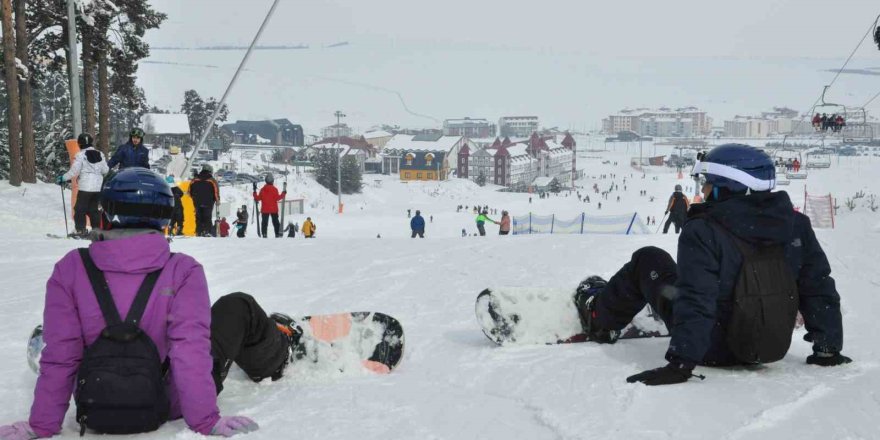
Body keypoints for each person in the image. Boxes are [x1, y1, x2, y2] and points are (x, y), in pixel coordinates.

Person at [0, 168, 264, 438]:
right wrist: (206, 421)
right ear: (163, 220)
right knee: (238, 306)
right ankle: (280, 349)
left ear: (106, 214)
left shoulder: (70, 268)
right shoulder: (183, 270)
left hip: (96, 402)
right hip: (163, 402)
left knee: (51, 334)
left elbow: (61, 354)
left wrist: (41, 424)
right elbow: (190, 351)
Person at [573, 144, 850, 386]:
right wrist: (828, 348)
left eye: (707, 181)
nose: (703, 188)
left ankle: (599, 317)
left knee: (649, 258)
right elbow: (817, 286)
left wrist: (681, 362)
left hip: (713, 348)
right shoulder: (795, 224)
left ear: (727, 186)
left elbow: (696, 297)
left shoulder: (704, 229)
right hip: (770, 344)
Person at [56, 133, 108, 237]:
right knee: (94, 210)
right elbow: (105, 169)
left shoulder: (80, 155)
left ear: (79, 144)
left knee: (79, 209)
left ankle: (80, 230)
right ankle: (96, 231)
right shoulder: (100, 154)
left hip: (85, 186)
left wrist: (63, 178)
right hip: (98, 186)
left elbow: (74, 171)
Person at [189, 164, 219, 237]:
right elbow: (216, 191)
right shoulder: (212, 180)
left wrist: (194, 197)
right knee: (207, 217)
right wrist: (217, 200)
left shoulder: (195, 179)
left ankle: (198, 232)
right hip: (208, 202)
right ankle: (206, 231)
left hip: (197, 202)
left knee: (198, 217)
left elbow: (189, 191)